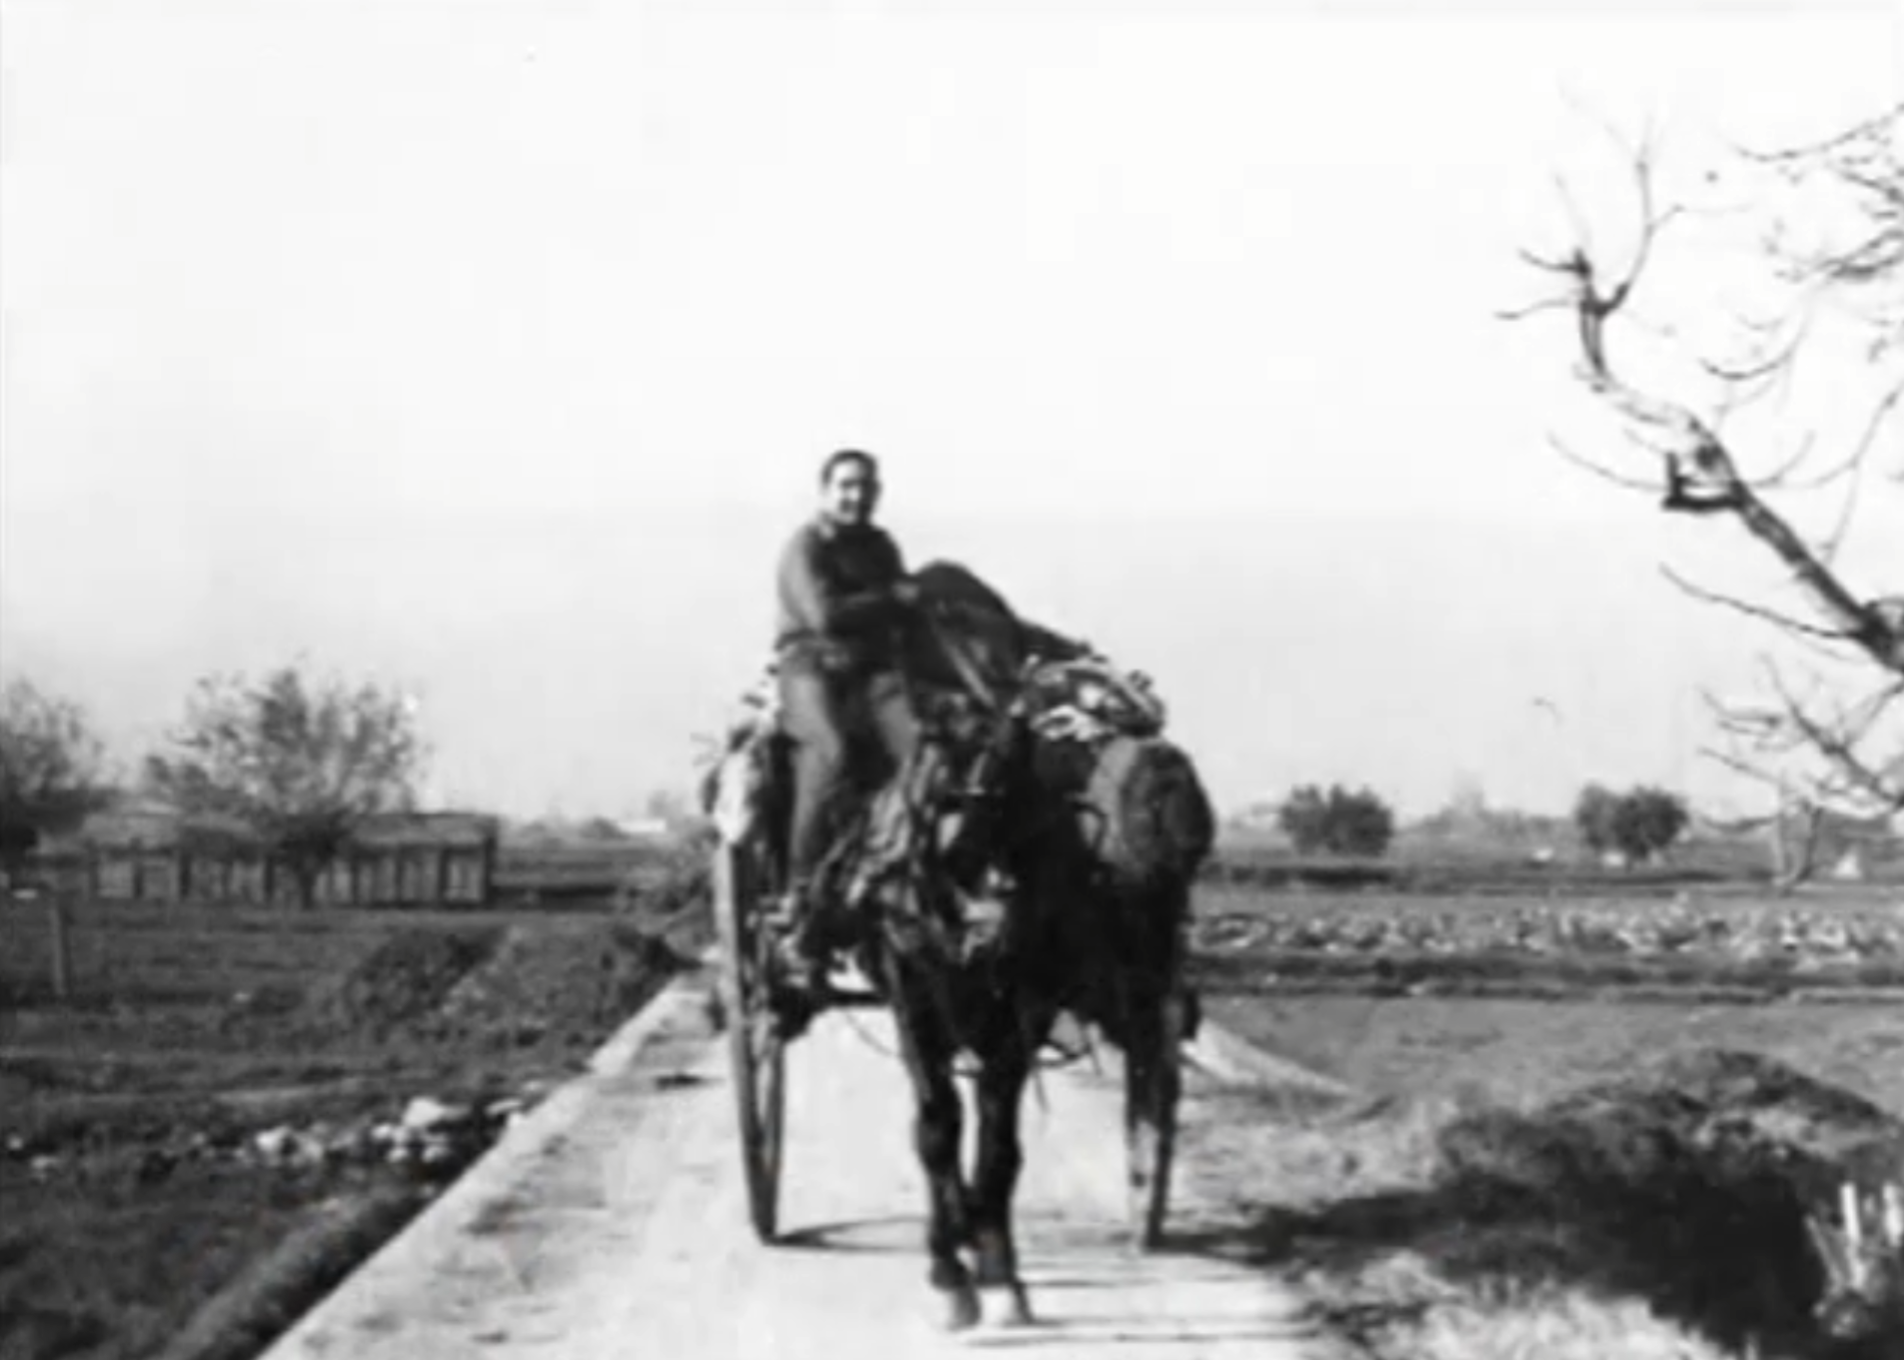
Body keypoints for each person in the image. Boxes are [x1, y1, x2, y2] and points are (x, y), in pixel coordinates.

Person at [772, 449, 923, 994]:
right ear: (825, 490)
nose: (855, 496)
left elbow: (909, 611)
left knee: (927, 754)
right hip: (812, 669)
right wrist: (893, 597)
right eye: (845, 486)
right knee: (832, 754)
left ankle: (909, 880)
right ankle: (801, 890)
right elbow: (826, 616)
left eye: (864, 487)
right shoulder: (806, 546)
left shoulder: (880, 546)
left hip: (874, 673)